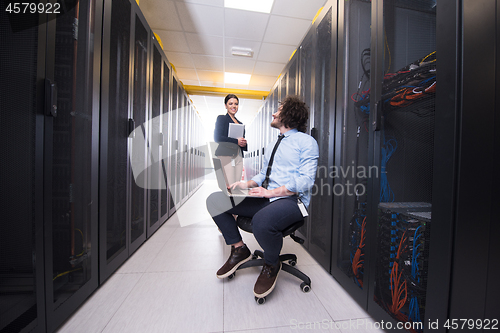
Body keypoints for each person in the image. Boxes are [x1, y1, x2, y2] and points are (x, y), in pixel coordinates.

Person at [206, 95, 319, 299]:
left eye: (279, 109)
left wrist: (272, 192)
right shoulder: (273, 143)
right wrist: (246, 184)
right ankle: (239, 249)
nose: (274, 113)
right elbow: (264, 175)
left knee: (261, 221)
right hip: (267, 199)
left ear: (289, 114)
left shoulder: (306, 142)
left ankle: (271, 263)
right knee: (216, 200)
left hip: (292, 201)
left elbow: (305, 181)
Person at [213, 94, 247, 185]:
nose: (233, 106)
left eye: (236, 104)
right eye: (230, 103)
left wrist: (244, 143)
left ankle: (234, 199)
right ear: (225, 105)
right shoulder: (222, 119)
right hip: (226, 155)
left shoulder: (240, 123)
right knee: (229, 184)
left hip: (238, 155)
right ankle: (227, 200)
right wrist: (236, 141)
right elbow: (217, 138)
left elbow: (241, 140)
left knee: (236, 184)